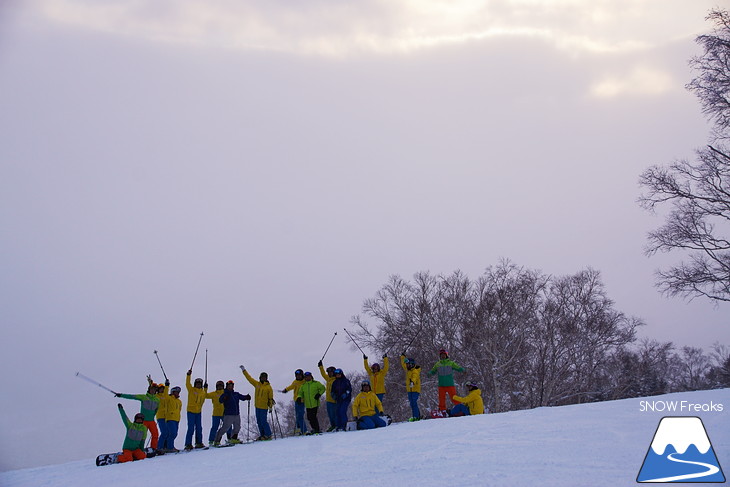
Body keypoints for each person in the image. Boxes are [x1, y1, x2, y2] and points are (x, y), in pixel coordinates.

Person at [115, 379, 161, 450]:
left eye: (154, 390)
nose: (153, 391)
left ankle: (153, 449)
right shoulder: (144, 397)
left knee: (155, 435)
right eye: (151, 389)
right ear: (149, 390)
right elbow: (132, 396)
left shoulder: (157, 400)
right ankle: (139, 449)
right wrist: (121, 395)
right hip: (143, 421)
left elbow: (156, 410)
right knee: (142, 436)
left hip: (151, 421)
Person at [240, 365, 275, 440]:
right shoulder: (257, 384)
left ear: (266, 378)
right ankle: (262, 435)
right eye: (262, 377)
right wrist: (244, 370)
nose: (263, 378)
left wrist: (270, 407)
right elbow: (249, 378)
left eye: (265, 377)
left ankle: (268, 435)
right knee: (259, 422)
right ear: (260, 378)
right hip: (257, 406)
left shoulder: (268, 387)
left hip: (264, 407)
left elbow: (270, 398)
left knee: (263, 421)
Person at [213, 380, 251, 446]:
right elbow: (220, 400)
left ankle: (233, 438)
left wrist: (247, 397)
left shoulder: (236, 394)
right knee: (225, 428)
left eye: (231, 386)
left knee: (237, 427)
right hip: (228, 414)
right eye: (229, 386)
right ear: (227, 386)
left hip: (236, 414)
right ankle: (217, 440)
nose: (230, 387)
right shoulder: (225, 394)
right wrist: (224, 398)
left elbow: (242, 397)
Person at [184, 370, 208, 450]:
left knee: (199, 428)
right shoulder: (191, 390)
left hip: (198, 412)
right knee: (190, 428)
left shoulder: (202, 392)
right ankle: (188, 444)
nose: (198, 385)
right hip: (190, 411)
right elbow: (187, 383)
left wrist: (206, 388)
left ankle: (199, 443)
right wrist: (188, 375)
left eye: (199, 384)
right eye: (197, 383)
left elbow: (204, 396)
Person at [281, 369, 307, 435]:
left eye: (299, 375)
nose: (298, 377)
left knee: (300, 415)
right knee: (297, 415)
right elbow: (291, 386)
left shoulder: (304, 382)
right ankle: (299, 429)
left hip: (302, 401)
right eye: (297, 375)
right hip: (296, 401)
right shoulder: (295, 382)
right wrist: (286, 390)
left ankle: (304, 430)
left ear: (302, 375)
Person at [206, 381, 232, 446]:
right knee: (214, 427)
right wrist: (205, 388)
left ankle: (229, 439)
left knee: (228, 426)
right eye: (218, 386)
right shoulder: (214, 394)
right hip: (216, 414)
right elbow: (206, 395)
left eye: (221, 386)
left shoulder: (225, 393)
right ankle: (211, 441)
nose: (220, 387)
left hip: (224, 413)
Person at [400, 353, 422, 421]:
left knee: (413, 403)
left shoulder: (415, 371)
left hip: (415, 389)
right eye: (407, 365)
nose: (406, 366)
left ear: (412, 364)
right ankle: (417, 416)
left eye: (408, 364)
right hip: (410, 389)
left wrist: (412, 382)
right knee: (412, 403)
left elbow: (415, 377)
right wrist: (402, 357)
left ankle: (416, 416)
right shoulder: (408, 370)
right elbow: (403, 364)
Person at [318, 361, 338, 431]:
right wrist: (320, 366)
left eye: (331, 372)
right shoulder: (328, 379)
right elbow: (323, 374)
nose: (329, 374)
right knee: (330, 415)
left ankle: (337, 425)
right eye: (328, 373)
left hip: (335, 400)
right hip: (328, 400)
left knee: (335, 414)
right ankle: (333, 425)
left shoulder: (336, 380)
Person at [163, 386, 183, 452]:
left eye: (178, 392)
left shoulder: (179, 401)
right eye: (176, 392)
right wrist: (166, 386)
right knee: (172, 433)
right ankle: (170, 447)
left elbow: (179, 409)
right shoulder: (169, 398)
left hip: (176, 419)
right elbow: (165, 395)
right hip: (170, 418)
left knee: (174, 433)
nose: (178, 393)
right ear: (173, 392)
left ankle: (168, 446)